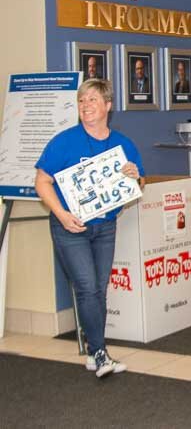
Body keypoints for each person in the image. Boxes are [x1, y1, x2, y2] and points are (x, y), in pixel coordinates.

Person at [34, 78, 144, 378]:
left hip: (105, 227)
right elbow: (42, 182)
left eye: (93, 100)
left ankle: (96, 351)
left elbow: (139, 183)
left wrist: (135, 176)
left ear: (108, 106)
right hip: (70, 228)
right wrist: (61, 213)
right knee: (86, 288)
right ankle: (99, 351)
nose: (86, 106)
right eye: (82, 101)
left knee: (99, 289)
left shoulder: (123, 143)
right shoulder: (64, 141)